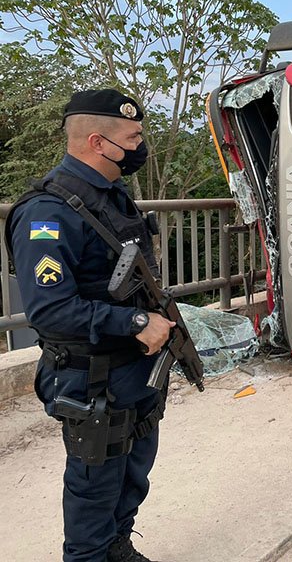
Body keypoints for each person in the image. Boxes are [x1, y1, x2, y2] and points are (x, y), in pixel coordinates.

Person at [4, 89, 174, 562]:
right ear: (99, 142)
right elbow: (50, 310)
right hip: (90, 376)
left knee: (133, 472)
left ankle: (119, 546)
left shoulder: (114, 198)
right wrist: (137, 320)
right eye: (134, 136)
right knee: (93, 489)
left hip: (134, 371)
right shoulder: (47, 212)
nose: (142, 145)